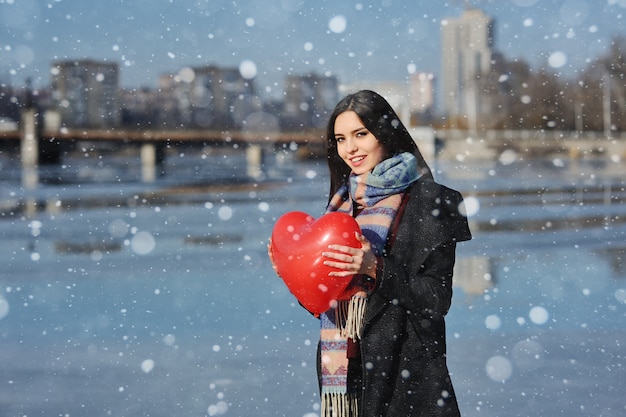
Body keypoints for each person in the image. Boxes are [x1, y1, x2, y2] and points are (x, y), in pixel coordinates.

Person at [271, 90, 472, 417]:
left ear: (386, 134)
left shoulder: (432, 203)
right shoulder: (340, 208)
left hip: (406, 377)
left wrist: (376, 268)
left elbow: (436, 300)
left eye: (360, 134)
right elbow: (326, 301)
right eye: (340, 138)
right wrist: (293, 273)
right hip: (348, 380)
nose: (349, 148)